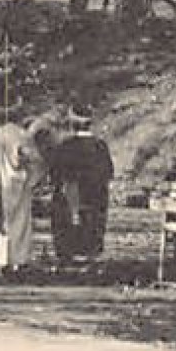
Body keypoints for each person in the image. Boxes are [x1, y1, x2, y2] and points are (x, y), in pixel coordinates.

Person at [0, 115, 48, 278]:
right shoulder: (20, 135)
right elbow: (34, 159)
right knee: (17, 225)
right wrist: (33, 178)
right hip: (16, 186)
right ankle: (16, 262)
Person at [48, 107, 115, 263]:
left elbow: (56, 174)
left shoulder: (65, 146)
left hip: (70, 196)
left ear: (72, 124)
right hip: (95, 197)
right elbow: (108, 173)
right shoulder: (100, 146)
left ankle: (68, 254)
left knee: (64, 214)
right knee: (93, 220)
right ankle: (91, 253)